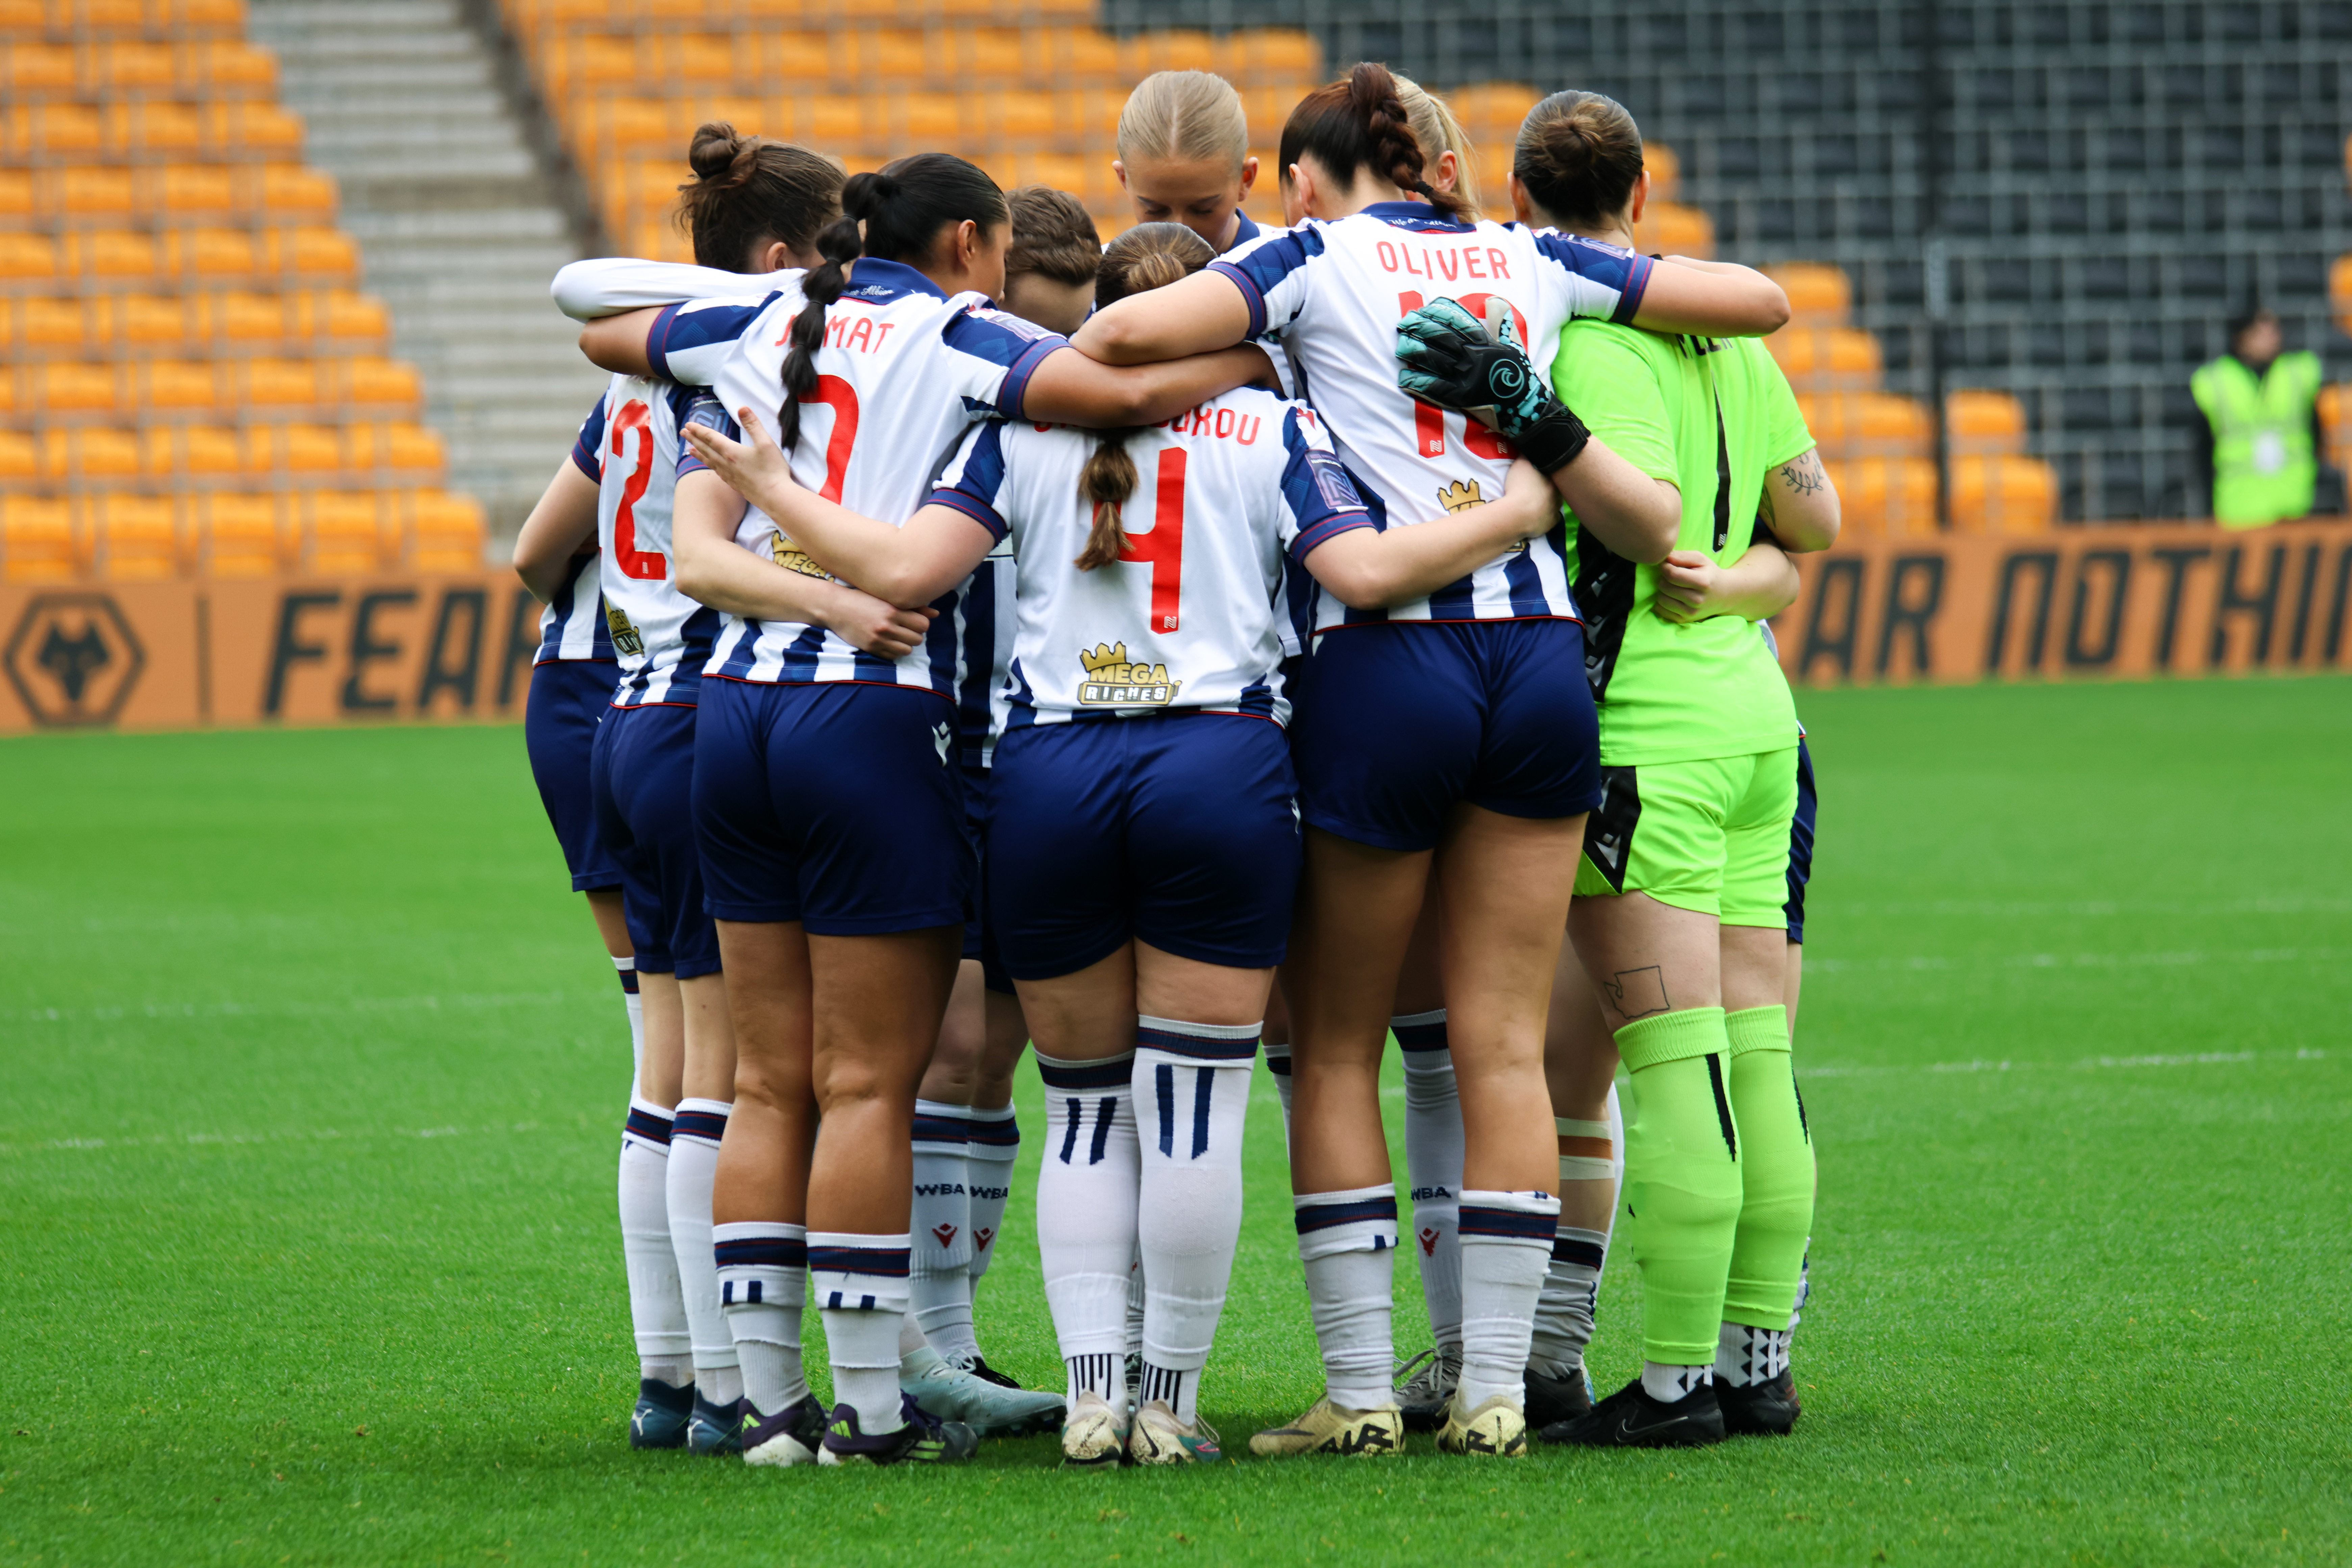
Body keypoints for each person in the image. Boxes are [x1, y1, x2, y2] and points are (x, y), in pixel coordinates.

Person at [683, 217, 1567, 1467]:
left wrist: (774, 494)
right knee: (1194, 1107)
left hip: (1050, 775)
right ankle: (1168, 1402)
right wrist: (1517, 509)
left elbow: (903, 566)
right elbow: (1363, 570)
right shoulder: (1272, 424)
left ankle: (1090, 1398)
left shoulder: (1012, 434)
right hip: (1215, 767)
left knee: (1086, 1112)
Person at [1072, 62, 1790, 1459]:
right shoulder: (1532, 253)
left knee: (1336, 1045)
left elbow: (1116, 339)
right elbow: (1758, 300)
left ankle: (1355, 1391)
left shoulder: (1303, 253)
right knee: (1501, 1044)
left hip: (1386, 656)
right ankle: (1499, 1388)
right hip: (1533, 665)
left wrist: (1258, 359)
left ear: (1299, 178)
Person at [554, 152, 1273, 1466]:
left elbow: (596, 316)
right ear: (966, 239)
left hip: (733, 712)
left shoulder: (761, 320)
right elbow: (1116, 390)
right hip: (867, 717)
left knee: (765, 1080)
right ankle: (876, 1405)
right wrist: (1251, 363)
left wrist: (745, 312)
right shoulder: (964, 333)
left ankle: (770, 1409)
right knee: (867, 1082)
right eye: (997, 246)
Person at [1398, 88, 1837, 1449]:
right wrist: (1748, 578)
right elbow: (1813, 517)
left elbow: (1627, 525)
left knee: (1673, 1061)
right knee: (1759, 1055)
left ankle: (1672, 1384)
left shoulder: (1579, 341)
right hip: (1768, 732)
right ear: (1643, 205)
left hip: (1647, 735)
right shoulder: (1733, 349)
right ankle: (1760, 1359)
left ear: (1523, 212)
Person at [902, 184, 1101, 1398]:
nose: (1051, 361)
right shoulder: (935, 395)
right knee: (954, 1046)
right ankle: (929, 1342)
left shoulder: (1088, 408)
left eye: (1071, 333)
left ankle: (961, 1344)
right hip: (939, 756)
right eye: (1032, 331)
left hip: (1052, 764)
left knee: (1014, 1048)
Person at [510, 414, 685, 1445]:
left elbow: (538, 551)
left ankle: (669, 1374)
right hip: (680, 691)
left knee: (653, 1033)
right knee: (705, 1042)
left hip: (579, 691)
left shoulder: (627, 388)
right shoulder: (757, 363)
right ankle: (718, 1364)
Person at [2190, 304, 2328, 528]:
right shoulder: (2216, 380)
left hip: (2294, 503)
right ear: (2242, 338)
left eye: (2274, 331)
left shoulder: (2296, 372)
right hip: (2238, 509)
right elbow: (2204, 449)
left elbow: (2317, 433)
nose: (2273, 338)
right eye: (2261, 332)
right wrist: (2208, 505)